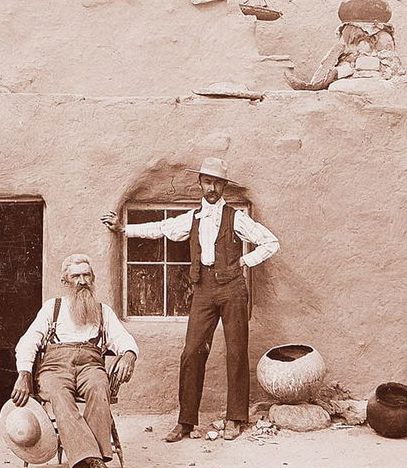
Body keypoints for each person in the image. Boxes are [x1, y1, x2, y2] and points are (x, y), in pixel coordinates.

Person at [104, 156, 279, 442]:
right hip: (203, 290)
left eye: (217, 183)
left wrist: (244, 261)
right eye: (207, 182)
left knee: (236, 352)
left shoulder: (236, 217)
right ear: (200, 183)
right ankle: (185, 422)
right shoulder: (192, 218)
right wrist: (124, 229)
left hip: (233, 289)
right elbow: (161, 228)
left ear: (223, 187)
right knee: (191, 352)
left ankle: (235, 418)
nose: (212, 188)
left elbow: (271, 242)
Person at [9, 253, 138, 468]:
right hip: (55, 368)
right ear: (65, 281)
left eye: (86, 275)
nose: (82, 281)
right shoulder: (53, 307)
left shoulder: (103, 311)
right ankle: (97, 465)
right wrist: (24, 373)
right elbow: (28, 341)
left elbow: (123, 338)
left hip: (91, 365)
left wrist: (129, 354)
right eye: (76, 276)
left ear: (93, 278)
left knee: (99, 387)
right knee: (59, 395)